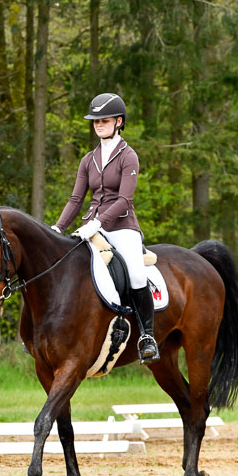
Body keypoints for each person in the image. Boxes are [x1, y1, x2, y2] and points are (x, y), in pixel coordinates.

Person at [51, 93, 159, 364]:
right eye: (95, 121)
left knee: (135, 274)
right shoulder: (88, 159)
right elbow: (76, 199)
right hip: (91, 225)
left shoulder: (128, 156)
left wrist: (98, 223)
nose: (98, 125)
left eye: (104, 120)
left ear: (118, 122)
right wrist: (58, 227)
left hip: (122, 226)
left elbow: (125, 199)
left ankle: (147, 336)